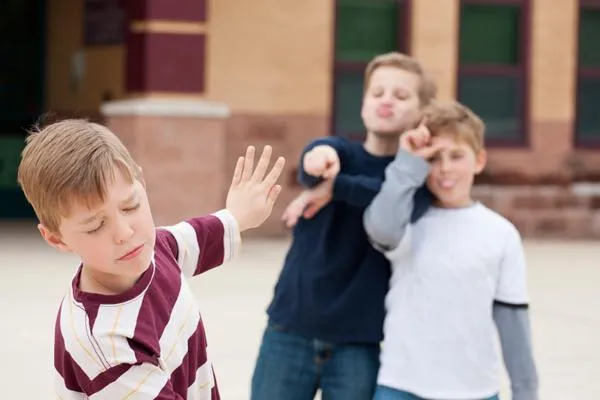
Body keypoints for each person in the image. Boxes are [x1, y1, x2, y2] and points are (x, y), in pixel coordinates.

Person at [16, 119, 285, 399]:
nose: (124, 232)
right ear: (56, 239)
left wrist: (238, 215)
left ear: (142, 182)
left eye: (130, 206)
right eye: (96, 226)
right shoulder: (105, 343)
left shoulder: (155, 249)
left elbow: (198, 237)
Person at [251, 52, 437, 400]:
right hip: (290, 329)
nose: (386, 101)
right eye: (377, 92)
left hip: (359, 343)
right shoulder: (341, 153)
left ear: (421, 113)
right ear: (364, 104)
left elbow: (398, 201)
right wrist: (318, 160)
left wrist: (337, 188)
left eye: (400, 96)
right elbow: (315, 160)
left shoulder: (413, 178)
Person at [364, 100, 539, 400]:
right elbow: (380, 228)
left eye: (457, 156)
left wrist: (526, 392)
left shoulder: (500, 233)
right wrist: (407, 163)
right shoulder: (407, 219)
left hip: (474, 391)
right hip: (402, 386)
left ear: (479, 160)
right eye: (434, 158)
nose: (445, 168)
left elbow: (513, 322)